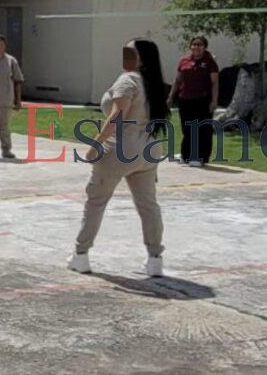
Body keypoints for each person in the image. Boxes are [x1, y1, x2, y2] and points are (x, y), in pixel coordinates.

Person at [68, 39, 169, 278]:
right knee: (148, 206)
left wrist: (96, 143)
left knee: (96, 202)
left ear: (141, 57)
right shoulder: (153, 83)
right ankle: (155, 258)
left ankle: (80, 255)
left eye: (130, 51)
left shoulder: (128, 80)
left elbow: (116, 115)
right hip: (149, 149)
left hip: (122, 148)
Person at [167, 36, 219, 166]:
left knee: (202, 129)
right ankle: (186, 155)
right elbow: (178, 80)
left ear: (205, 47)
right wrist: (170, 96)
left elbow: (215, 83)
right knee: (187, 128)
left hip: (202, 100)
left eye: (200, 45)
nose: (196, 47)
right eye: (194, 44)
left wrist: (214, 101)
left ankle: (201, 157)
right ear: (190, 46)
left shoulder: (210, 62)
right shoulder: (184, 61)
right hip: (185, 99)